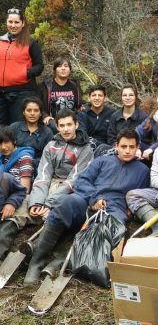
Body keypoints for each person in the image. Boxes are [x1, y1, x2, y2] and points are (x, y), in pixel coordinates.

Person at [23, 129, 150, 285]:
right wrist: (94, 198)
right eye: (123, 146)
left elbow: (140, 194)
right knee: (65, 203)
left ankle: (63, 262)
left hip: (114, 207)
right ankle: (35, 263)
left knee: (114, 224)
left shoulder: (143, 171)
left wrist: (130, 210)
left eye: (132, 147)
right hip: (87, 198)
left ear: (138, 147)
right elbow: (82, 181)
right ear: (116, 146)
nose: (127, 151)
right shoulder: (103, 161)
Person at [0, 109, 93, 274]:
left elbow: (75, 179)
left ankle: (33, 256)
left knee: (55, 214)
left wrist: (49, 203)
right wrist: (37, 201)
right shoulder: (51, 146)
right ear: (56, 126)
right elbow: (43, 175)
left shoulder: (86, 148)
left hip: (70, 190)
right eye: (62, 125)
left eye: (69, 125)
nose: (66, 129)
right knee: (19, 211)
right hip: (48, 185)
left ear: (76, 125)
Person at [0, 8, 44, 125]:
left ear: (22, 23)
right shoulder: (0, 42)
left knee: (17, 127)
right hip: (1, 93)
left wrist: (25, 73)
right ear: (7, 22)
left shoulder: (31, 43)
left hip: (22, 92)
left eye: (16, 22)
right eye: (10, 22)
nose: (13, 25)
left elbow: (39, 66)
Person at [40, 56, 82, 133]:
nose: (63, 68)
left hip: (71, 120)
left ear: (70, 69)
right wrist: (45, 116)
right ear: (55, 70)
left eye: (66, 66)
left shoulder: (75, 86)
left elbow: (79, 105)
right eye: (59, 66)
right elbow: (38, 105)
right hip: (52, 121)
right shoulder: (46, 86)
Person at [10, 97, 54, 165]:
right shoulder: (14, 128)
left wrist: (30, 162)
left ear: (40, 113)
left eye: (36, 110)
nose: (32, 113)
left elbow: (49, 157)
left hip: (37, 167)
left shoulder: (47, 132)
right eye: (29, 110)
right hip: (13, 164)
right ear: (24, 112)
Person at [77, 84, 115, 149]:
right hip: (87, 147)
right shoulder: (82, 115)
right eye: (94, 95)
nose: (97, 98)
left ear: (105, 98)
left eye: (100, 95)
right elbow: (82, 135)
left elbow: (113, 135)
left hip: (108, 148)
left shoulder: (112, 114)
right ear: (89, 98)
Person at [0, 169, 27, 258]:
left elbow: (21, 190)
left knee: (3, 232)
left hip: (3, 218)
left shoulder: (5, 179)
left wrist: (11, 203)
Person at [0, 127, 34, 192]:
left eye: (6, 142)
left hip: (15, 198)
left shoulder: (25, 158)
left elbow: (25, 190)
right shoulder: (2, 157)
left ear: (14, 141)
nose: (3, 147)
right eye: (0, 144)